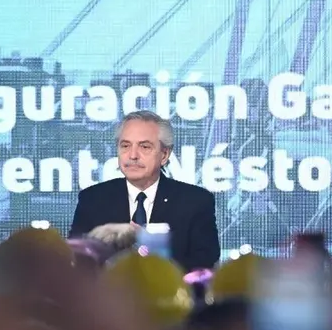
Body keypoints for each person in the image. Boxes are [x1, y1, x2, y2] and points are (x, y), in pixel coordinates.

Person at [68, 110, 220, 271]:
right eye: (125, 146)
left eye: (144, 146)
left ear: (164, 154)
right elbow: (77, 261)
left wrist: (150, 245)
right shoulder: (93, 199)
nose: (132, 155)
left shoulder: (195, 202)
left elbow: (204, 266)